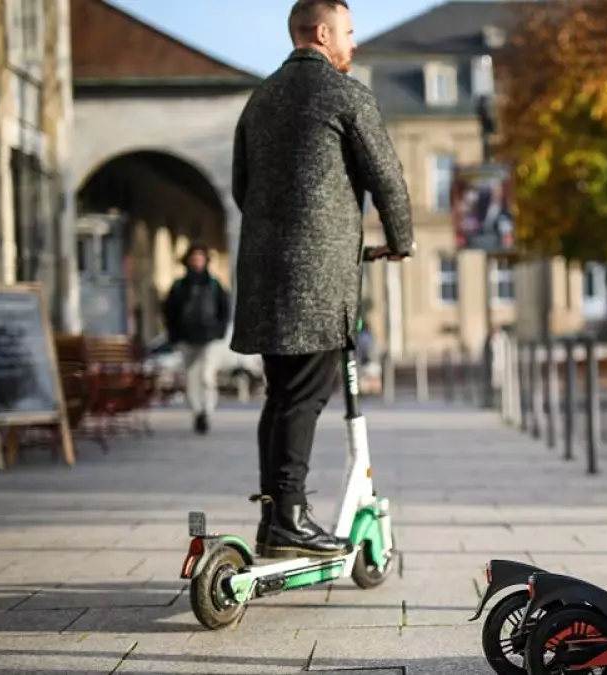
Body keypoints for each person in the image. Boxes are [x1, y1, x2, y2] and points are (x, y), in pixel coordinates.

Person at [229, 0, 415, 559]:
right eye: (349, 33)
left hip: (265, 271)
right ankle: (289, 518)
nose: (353, 45)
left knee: (281, 394)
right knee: (306, 396)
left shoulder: (259, 99)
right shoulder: (345, 94)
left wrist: (276, 230)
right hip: (319, 276)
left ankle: (274, 516)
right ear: (321, 32)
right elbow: (387, 178)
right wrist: (401, 241)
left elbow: (242, 186)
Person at [161, 242, 231, 434]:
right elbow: (169, 312)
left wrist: (220, 330)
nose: (197, 261)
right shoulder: (179, 286)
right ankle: (197, 411)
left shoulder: (214, 285)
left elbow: (224, 310)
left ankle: (207, 411)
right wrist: (173, 333)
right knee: (191, 378)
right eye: (194, 258)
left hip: (210, 337)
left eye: (201, 257)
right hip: (186, 338)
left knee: (207, 376)